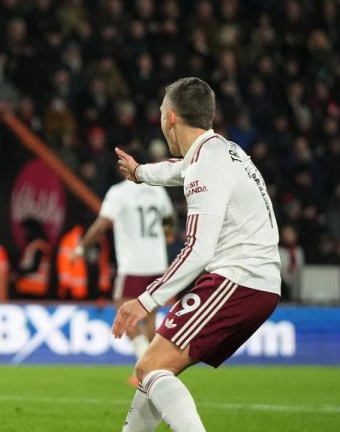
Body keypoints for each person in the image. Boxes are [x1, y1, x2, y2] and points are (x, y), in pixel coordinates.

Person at [112, 77, 280, 432]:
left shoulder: (206, 166)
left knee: (152, 367)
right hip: (253, 281)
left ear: (170, 118)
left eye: (161, 113)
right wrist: (140, 172)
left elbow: (198, 249)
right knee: (151, 368)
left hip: (238, 278)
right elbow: (176, 169)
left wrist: (145, 300)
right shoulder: (221, 151)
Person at [76, 173, 175, 386]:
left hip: (132, 264)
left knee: (123, 312)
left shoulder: (119, 192)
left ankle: (145, 364)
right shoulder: (157, 190)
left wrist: (81, 248)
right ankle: (153, 369)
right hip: (158, 263)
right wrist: (167, 234)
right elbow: (169, 218)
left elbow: (102, 224)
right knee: (150, 318)